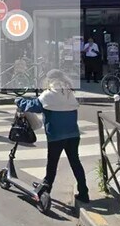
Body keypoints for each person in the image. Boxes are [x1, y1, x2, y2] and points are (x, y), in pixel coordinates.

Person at [16, 70, 90, 203]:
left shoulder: (49, 94)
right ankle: (84, 192)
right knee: (75, 163)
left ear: (50, 80)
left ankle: (46, 191)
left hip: (56, 135)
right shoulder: (69, 92)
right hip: (73, 134)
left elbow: (33, 106)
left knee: (52, 164)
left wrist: (19, 101)